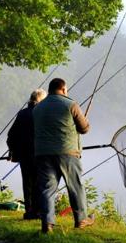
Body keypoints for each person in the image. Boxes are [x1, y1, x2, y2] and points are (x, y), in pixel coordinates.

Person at [33, 77, 94, 233]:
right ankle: (81, 220)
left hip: (42, 153)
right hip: (67, 152)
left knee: (47, 189)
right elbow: (84, 129)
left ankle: (47, 224)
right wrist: (85, 120)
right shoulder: (71, 104)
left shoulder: (37, 108)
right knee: (75, 186)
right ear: (64, 89)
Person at [6, 88, 47, 219]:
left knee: (27, 184)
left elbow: (11, 135)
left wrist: (12, 151)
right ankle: (39, 212)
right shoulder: (42, 113)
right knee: (40, 183)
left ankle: (29, 212)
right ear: (41, 100)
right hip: (39, 154)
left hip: (24, 156)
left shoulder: (22, 114)